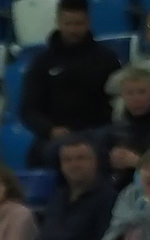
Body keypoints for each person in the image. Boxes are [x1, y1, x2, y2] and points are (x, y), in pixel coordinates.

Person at [20, 0, 120, 149]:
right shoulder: (42, 62)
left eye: (78, 23)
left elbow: (116, 101)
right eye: (68, 23)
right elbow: (29, 109)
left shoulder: (106, 59)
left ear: (88, 23)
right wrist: (50, 130)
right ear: (58, 23)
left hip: (98, 135)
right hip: (54, 139)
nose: (73, 29)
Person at [26, 139, 116, 240]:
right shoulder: (58, 196)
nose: (74, 164)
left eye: (81, 158)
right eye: (67, 160)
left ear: (95, 161)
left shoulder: (107, 198)